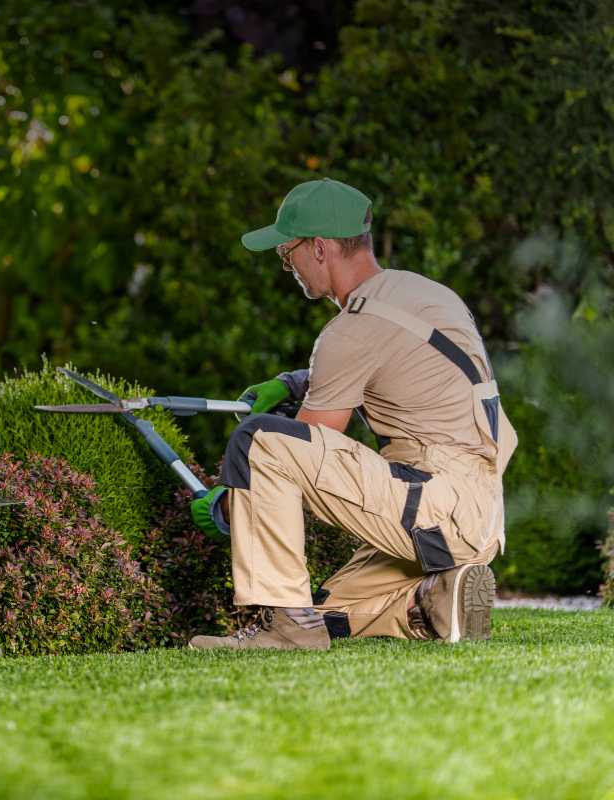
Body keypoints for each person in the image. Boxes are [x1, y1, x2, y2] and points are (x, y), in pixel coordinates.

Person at [187, 178, 517, 650]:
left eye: (288, 251)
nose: (287, 264)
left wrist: (227, 503)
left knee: (259, 440)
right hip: (476, 514)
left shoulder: (352, 329)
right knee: (323, 609)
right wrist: (295, 382)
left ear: (319, 248)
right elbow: (399, 365)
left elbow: (305, 452)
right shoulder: (422, 294)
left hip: (434, 507)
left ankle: (288, 630)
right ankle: (430, 600)